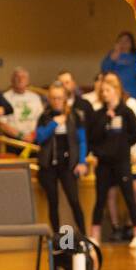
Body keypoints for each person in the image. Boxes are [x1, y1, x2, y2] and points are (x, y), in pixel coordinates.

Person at [88, 75, 136, 251]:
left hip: (122, 162)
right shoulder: (98, 114)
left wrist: (122, 144)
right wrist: (106, 119)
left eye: (108, 91)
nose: (105, 94)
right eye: (102, 91)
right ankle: (94, 235)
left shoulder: (127, 112)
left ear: (117, 91)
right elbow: (92, 137)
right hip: (104, 164)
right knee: (100, 198)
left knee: (129, 197)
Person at [35, 81, 88, 238]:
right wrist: (53, 124)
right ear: (49, 99)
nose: (56, 101)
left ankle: (84, 236)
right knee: (53, 202)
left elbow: (82, 141)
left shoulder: (75, 116)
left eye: (59, 98)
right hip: (49, 165)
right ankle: (59, 239)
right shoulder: (44, 116)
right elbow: (40, 137)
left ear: (65, 98)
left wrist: (82, 162)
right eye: (53, 98)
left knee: (74, 200)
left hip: (68, 165)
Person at [100, 32, 136, 100]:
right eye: (121, 40)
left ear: (132, 43)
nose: (124, 43)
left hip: (131, 96)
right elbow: (104, 71)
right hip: (112, 95)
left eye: (126, 40)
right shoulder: (112, 55)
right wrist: (113, 57)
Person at [1, 67, 44, 142]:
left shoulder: (35, 97)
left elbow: (42, 120)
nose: (20, 79)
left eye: (23, 77)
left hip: (34, 138)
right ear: (12, 80)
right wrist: (21, 136)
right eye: (17, 77)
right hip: (13, 140)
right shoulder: (4, 98)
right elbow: (2, 124)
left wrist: (33, 135)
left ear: (28, 81)